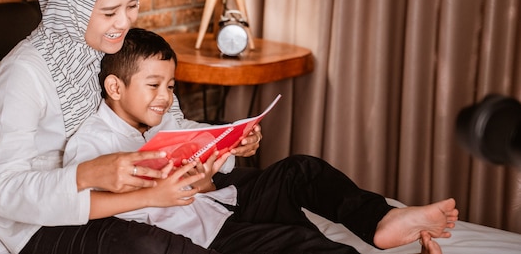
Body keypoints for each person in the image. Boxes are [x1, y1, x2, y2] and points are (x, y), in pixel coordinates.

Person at [0, 0, 261, 254]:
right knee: (152, 245)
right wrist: (87, 174)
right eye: (110, 12)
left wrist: (212, 146)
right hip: (37, 222)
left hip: (123, 196)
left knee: (272, 191)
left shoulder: (109, 46)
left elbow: (168, 117)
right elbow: (3, 191)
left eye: (132, 6)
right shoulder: (22, 75)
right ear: (74, 8)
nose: (124, 23)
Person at [64, 27, 457, 254]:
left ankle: (381, 220)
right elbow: (84, 206)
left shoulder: (165, 117)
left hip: (223, 200)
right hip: (205, 230)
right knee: (299, 244)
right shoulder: (92, 143)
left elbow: (205, 153)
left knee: (300, 168)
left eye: (170, 85)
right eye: (154, 85)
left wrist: (237, 145)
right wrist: (172, 188)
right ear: (114, 87)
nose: (166, 96)